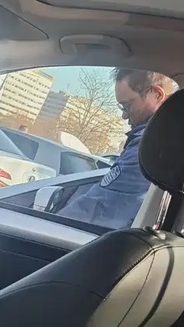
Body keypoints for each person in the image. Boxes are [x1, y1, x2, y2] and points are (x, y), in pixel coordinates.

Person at [57, 69, 177, 229]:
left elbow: (97, 206)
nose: (124, 116)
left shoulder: (150, 146)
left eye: (128, 105)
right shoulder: (173, 138)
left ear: (157, 95)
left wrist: (50, 225)